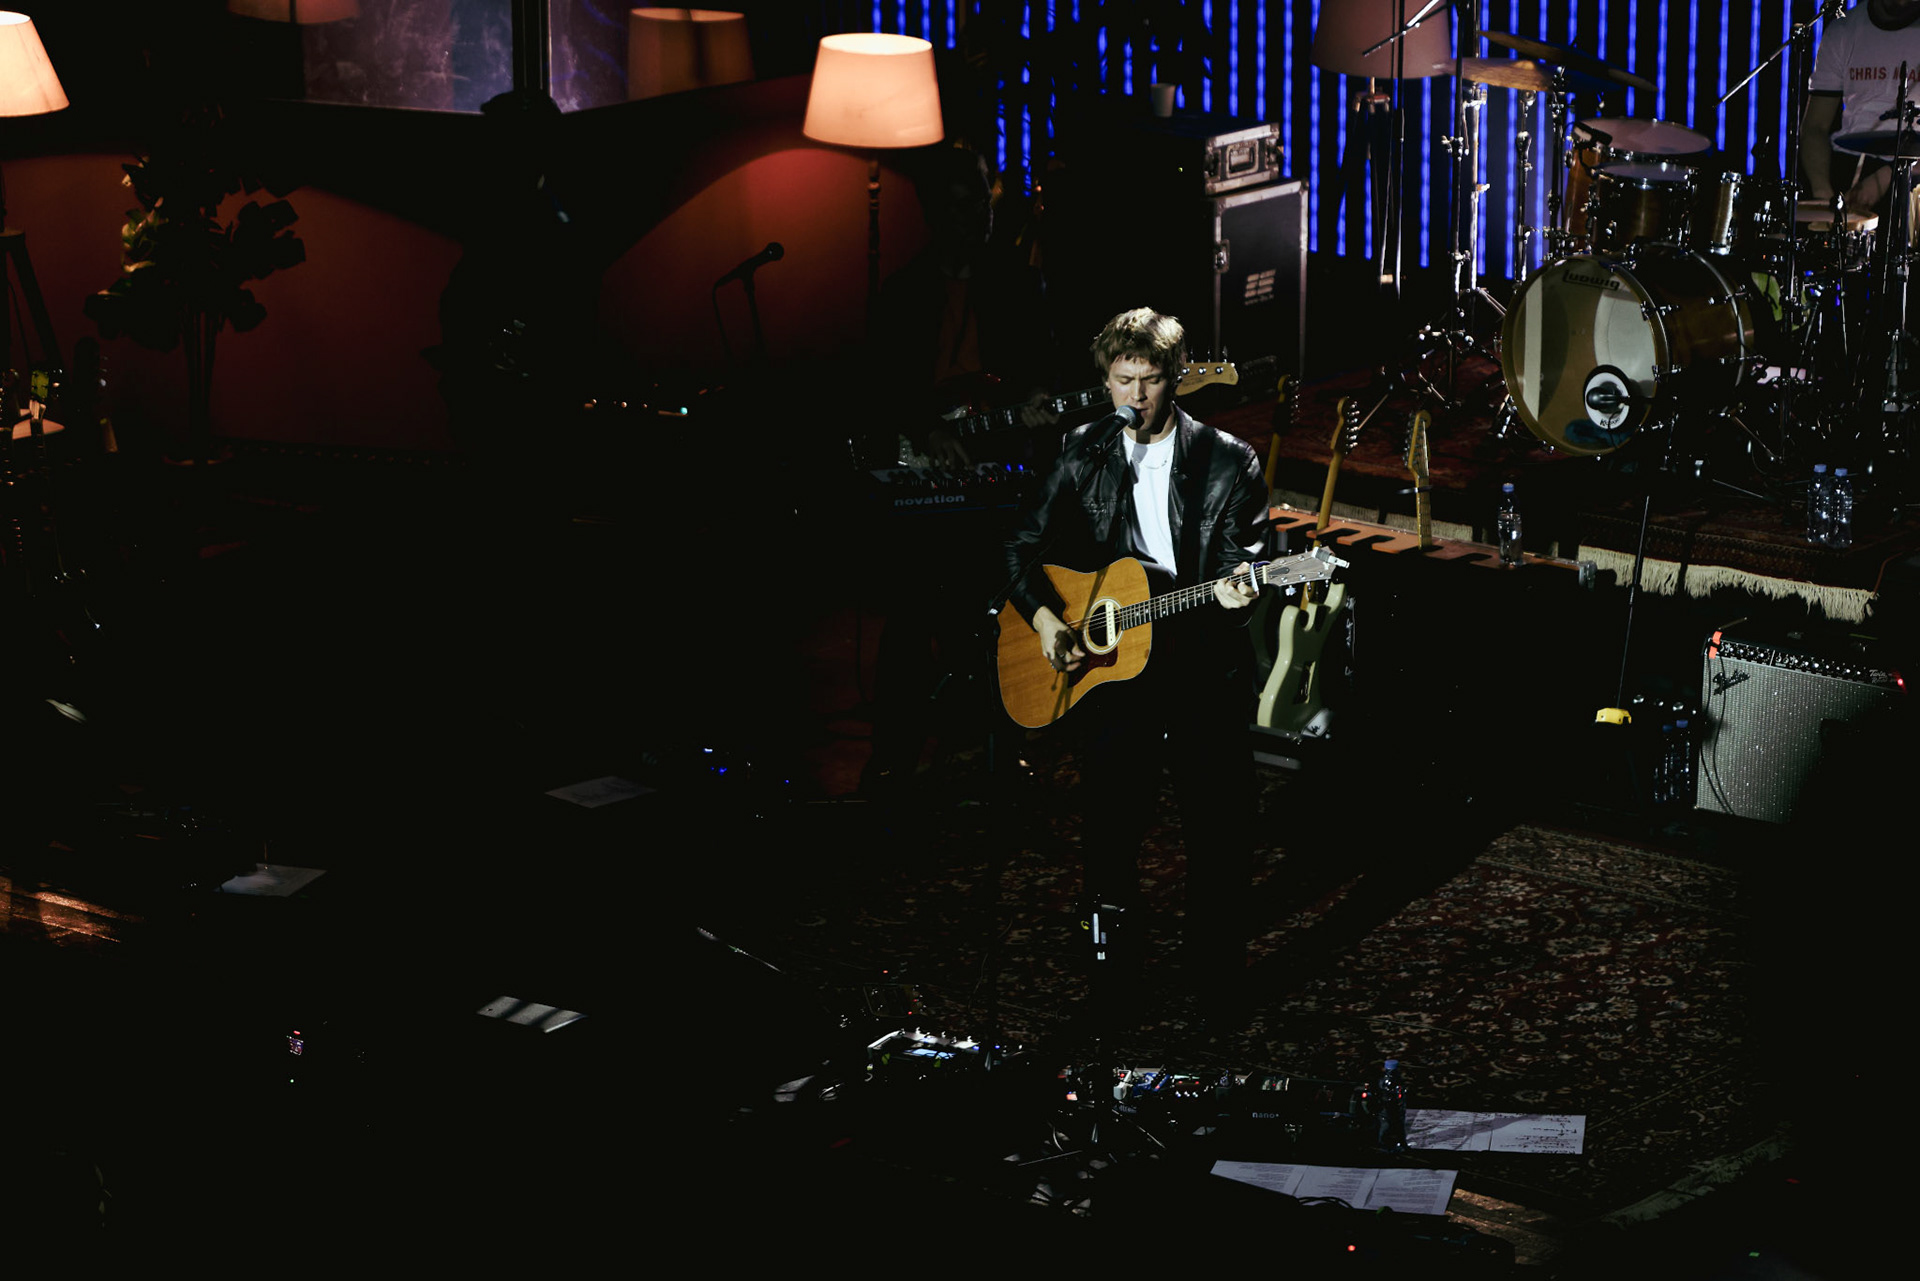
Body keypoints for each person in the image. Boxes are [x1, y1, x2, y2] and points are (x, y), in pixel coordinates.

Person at [1002, 307, 1269, 1005]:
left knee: (1218, 826)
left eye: (1150, 380)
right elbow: (1019, 547)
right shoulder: (1082, 450)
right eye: (1124, 381)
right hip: (1116, 671)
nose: (1137, 396)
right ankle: (1112, 971)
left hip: (1200, 664)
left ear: (1175, 379)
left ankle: (1213, 976)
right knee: (1110, 825)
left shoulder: (1228, 461)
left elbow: (1243, 564)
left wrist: (1240, 591)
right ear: (1106, 382)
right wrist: (1047, 620)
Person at [1802, 0, 1920, 215]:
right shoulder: (1844, 30)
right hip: (1851, 161)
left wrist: (1887, 176)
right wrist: (1824, 197)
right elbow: (1815, 127)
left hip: (1913, 167)